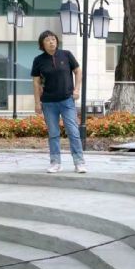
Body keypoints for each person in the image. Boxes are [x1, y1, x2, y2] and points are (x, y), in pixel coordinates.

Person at [31, 30, 86, 174]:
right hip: (48, 103)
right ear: (42, 44)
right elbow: (36, 82)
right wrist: (37, 103)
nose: (51, 42)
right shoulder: (38, 60)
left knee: (73, 131)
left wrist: (76, 89)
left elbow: (78, 71)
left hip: (67, 100)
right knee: (53, 133)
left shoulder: (66, 55)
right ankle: (55, 163)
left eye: (53, 39)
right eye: (47, 40)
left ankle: (79, 162)